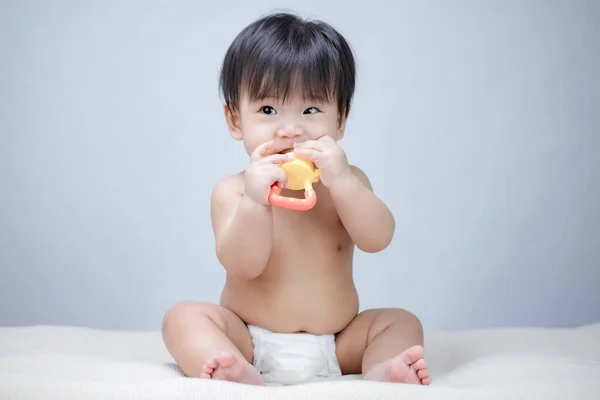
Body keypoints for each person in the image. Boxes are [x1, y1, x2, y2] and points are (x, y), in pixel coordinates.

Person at [162, 11, 431, 386]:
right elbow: (243, 265)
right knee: (183, 317)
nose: (290, 128)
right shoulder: (234, 191)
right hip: (249, 338)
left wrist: (345, 184)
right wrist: (257, 202)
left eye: (311, 109)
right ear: (235, 120)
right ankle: (230, 369)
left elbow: (379, 238)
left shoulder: (348, 182)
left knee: (401, 321)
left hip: (338, 343)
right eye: (268, 110)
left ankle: (382, 370)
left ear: (340, 120)